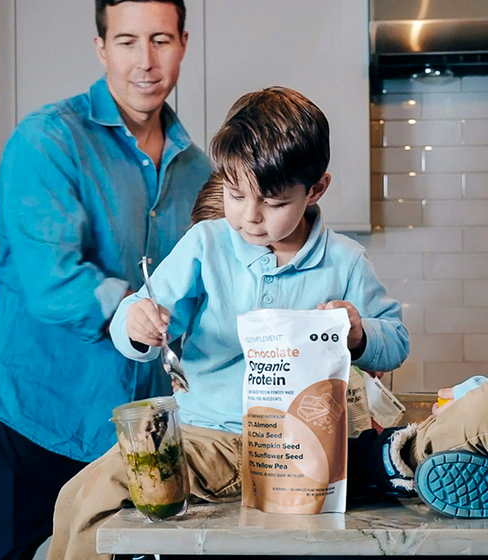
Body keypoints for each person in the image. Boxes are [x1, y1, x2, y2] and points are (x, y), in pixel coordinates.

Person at [45, 87, 487, 560]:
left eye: (272, 203)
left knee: (103, 486)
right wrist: (138, 324)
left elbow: (396, 341)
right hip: (205, 434)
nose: (250, 218)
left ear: (315, 189)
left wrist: (359, 333)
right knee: (78, 496)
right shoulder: (205, 244)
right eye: (235, 195)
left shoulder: (345, 261)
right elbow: (134, 316)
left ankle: (404, 457)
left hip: (300, 447)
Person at [0, 1, 212, 559]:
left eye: (161, 39)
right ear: (101, 48)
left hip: (132, 440)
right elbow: (51, 280)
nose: (146, 61)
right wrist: (133, 309)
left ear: (184, 43)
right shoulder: (47, 141)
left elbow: (210, 291)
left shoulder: (202, 175)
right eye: (126, 41)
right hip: (29, 417)